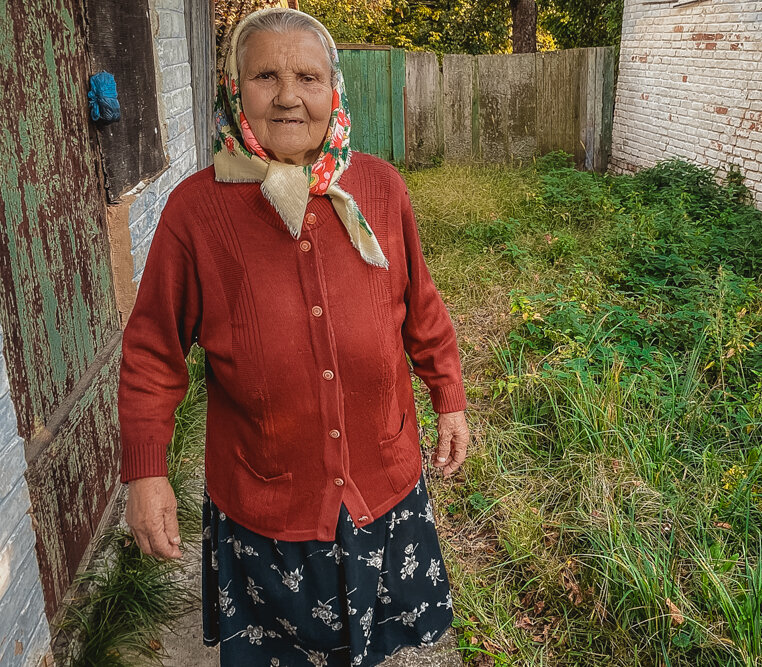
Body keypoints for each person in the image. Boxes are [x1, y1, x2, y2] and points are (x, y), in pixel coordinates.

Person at [118, 8, 470, 666]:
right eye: (265, 76)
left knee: (371, 645)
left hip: (381, 481)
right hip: (268, 505)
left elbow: (419, 306)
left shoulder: (380, 187)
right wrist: (146, 471)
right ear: (234, 89)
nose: (287, 95)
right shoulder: (197, 210)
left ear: (334, 90)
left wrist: (448, 394)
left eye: (307, 76)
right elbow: (152, 352)